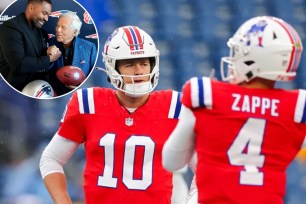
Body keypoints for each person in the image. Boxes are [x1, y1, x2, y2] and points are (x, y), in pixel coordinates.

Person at [162, 16, 306, 204]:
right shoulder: (297, 107)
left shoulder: (207, 95)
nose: (234, 57)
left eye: (238, 51)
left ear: (254, 58)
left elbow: (171, 161)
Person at [39, 26, 188, 204]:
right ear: (112, 66)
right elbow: (51, 159)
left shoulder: (175, 107)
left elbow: (203, 166)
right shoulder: (89, 103)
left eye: (144, 63)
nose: (139, 71)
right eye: (130, 64)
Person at [0, 0, 61, 91]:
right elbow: (18, 64)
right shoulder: (11, 27)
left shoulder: (42, 32)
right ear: (31, 8)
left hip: (38, 89)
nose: (46, 19)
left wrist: (48, 52)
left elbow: (38, 58)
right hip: (15, 91)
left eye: (48, 15)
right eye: (44, 13)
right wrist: (50, 59)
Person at [48, 12, 97, 96]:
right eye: (57, 26)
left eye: (63, 27)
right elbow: (42, 72)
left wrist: (81, 87)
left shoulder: (90, 48)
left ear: (74, 32)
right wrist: (48, 57)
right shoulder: (48, 43)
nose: (58, 30)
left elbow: (94, 78)